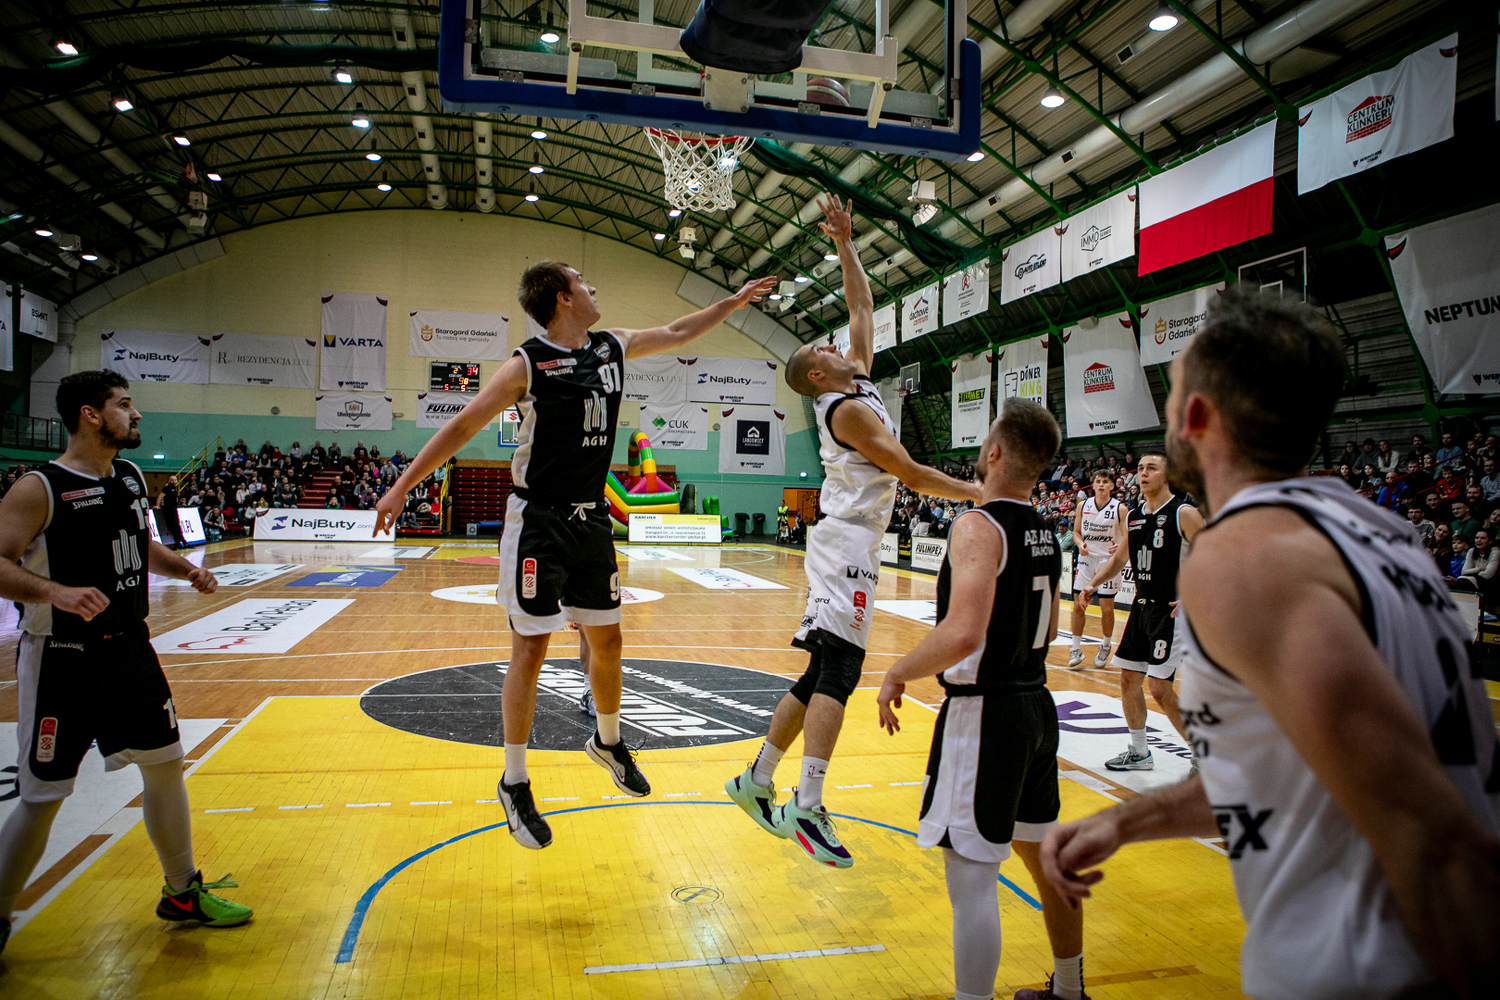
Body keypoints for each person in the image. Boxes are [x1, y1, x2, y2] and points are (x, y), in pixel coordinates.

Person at [1038, 287, 1500, 1000]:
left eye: (1170, 399)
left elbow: (1431, 830)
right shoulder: (1380, 532)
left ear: (1196, 417)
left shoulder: (1244, 556)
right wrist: (1130, 820)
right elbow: (1296, 775)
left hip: (1363, 969)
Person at [375, 260, 776, 851]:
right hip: (538, 521)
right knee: (531, 649)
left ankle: (608, 742)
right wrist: (402, 486)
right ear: (563, 298)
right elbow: (461, 427)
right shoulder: (527, 364)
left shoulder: (612, 346)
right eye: (583, 282)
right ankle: (514, 782)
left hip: (590, 520)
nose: (593, 288)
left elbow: (677, 332)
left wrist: (734, 303)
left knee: (608, 641)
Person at [724, 195, 979, 869]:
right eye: (822, 348)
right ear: (817, 375)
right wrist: (977, 492)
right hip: (847, 546)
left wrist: (846, 242)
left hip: (846, 541)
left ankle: (756, 780)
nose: (834, 342)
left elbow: (862, 307)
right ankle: (807, 805)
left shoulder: (857, 379)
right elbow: (910, 472)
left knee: (819, 669)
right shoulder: (845, 410)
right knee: (840, 669)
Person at [0, 371, 252, 955]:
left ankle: (182, 891)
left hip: (130, 648)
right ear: (90, 415)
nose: (135, 414)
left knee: (166, 764)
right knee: (43, 797)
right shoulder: (39, 488)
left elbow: (140, 547)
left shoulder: (132, 477)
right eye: (124, 404)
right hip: (62, 658)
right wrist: (56, 592)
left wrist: (185, 569)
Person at [876, 401, 1088, 1000]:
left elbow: (964, 632)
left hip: (985, 713)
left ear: (993, 453)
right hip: (1035, 708)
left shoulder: (978, 525)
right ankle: (1069, 990)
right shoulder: (1045, 530)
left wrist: (898, 671)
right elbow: (1036, 624)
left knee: (971, 879)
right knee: (1045, 859)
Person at [1077, 454, 1204, 771]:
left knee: (1159, 688)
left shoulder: (1184, 513)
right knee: (1128, 680)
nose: (1143, 473)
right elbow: (1119, 559)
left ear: (1167, 476)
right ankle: (1139, 752)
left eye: (1151, 468)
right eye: (1141, 468)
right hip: (1141, 607)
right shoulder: (1133, 517)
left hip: (1170, 612)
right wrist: (1092, 584)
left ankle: (1204, 756)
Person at [1066, 471, 1123, 669]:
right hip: (1086, 560)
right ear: (1093, 485)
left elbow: (1127, 536)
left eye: (1105, 482)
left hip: (1108, 561)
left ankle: (1106, 645)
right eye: (1098, 481)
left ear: (1112, 486)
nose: (1101, 485)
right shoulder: (1083, 505)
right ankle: (1075, 648)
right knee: (1078, 605)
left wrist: (1120, 546)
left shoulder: (1120, 508)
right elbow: (1076, 532)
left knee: (1106, 609)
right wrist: (1080, 543)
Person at [1457, 529, 1497, 596]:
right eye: (1477, 538)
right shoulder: (1471, 551)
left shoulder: (1495, 552)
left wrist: (1473, 574)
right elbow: (1464, 571)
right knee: (1461, 580)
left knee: (1465, 581)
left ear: (1490, 541)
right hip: (1475, 580)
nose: (1479, 540)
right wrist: (1479, 569)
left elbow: (1488, 574)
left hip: (1490, 583)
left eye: (1483, 538)